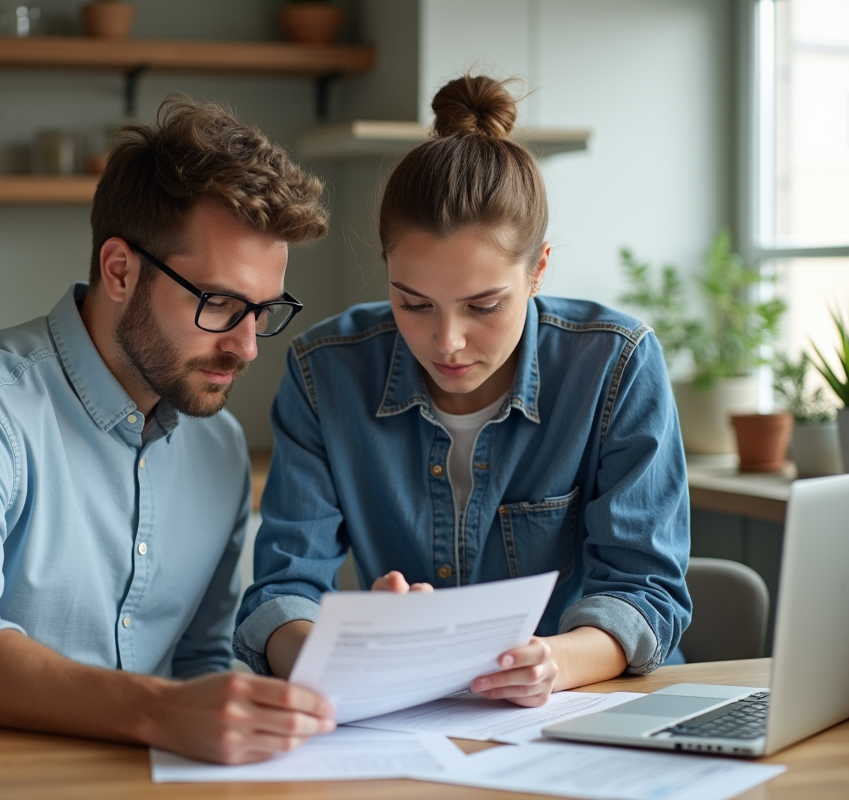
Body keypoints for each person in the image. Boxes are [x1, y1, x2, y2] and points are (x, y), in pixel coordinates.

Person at [0, 95, 336, 800]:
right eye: (218, 304)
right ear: (120, 270)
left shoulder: (220, 446)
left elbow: (198, 659)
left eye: (264, 312)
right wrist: (159, 712)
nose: (244, 346)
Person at [234, 75, 692, 706]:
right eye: (413, 303)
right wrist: (349, 651)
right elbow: (282, 592)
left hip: (581, 712)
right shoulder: (325, 372)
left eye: (483, 305)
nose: (447, 341)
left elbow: (646, 591)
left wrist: (549, 661)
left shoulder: (616, 366)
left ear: (538, 271)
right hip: (406, 724)